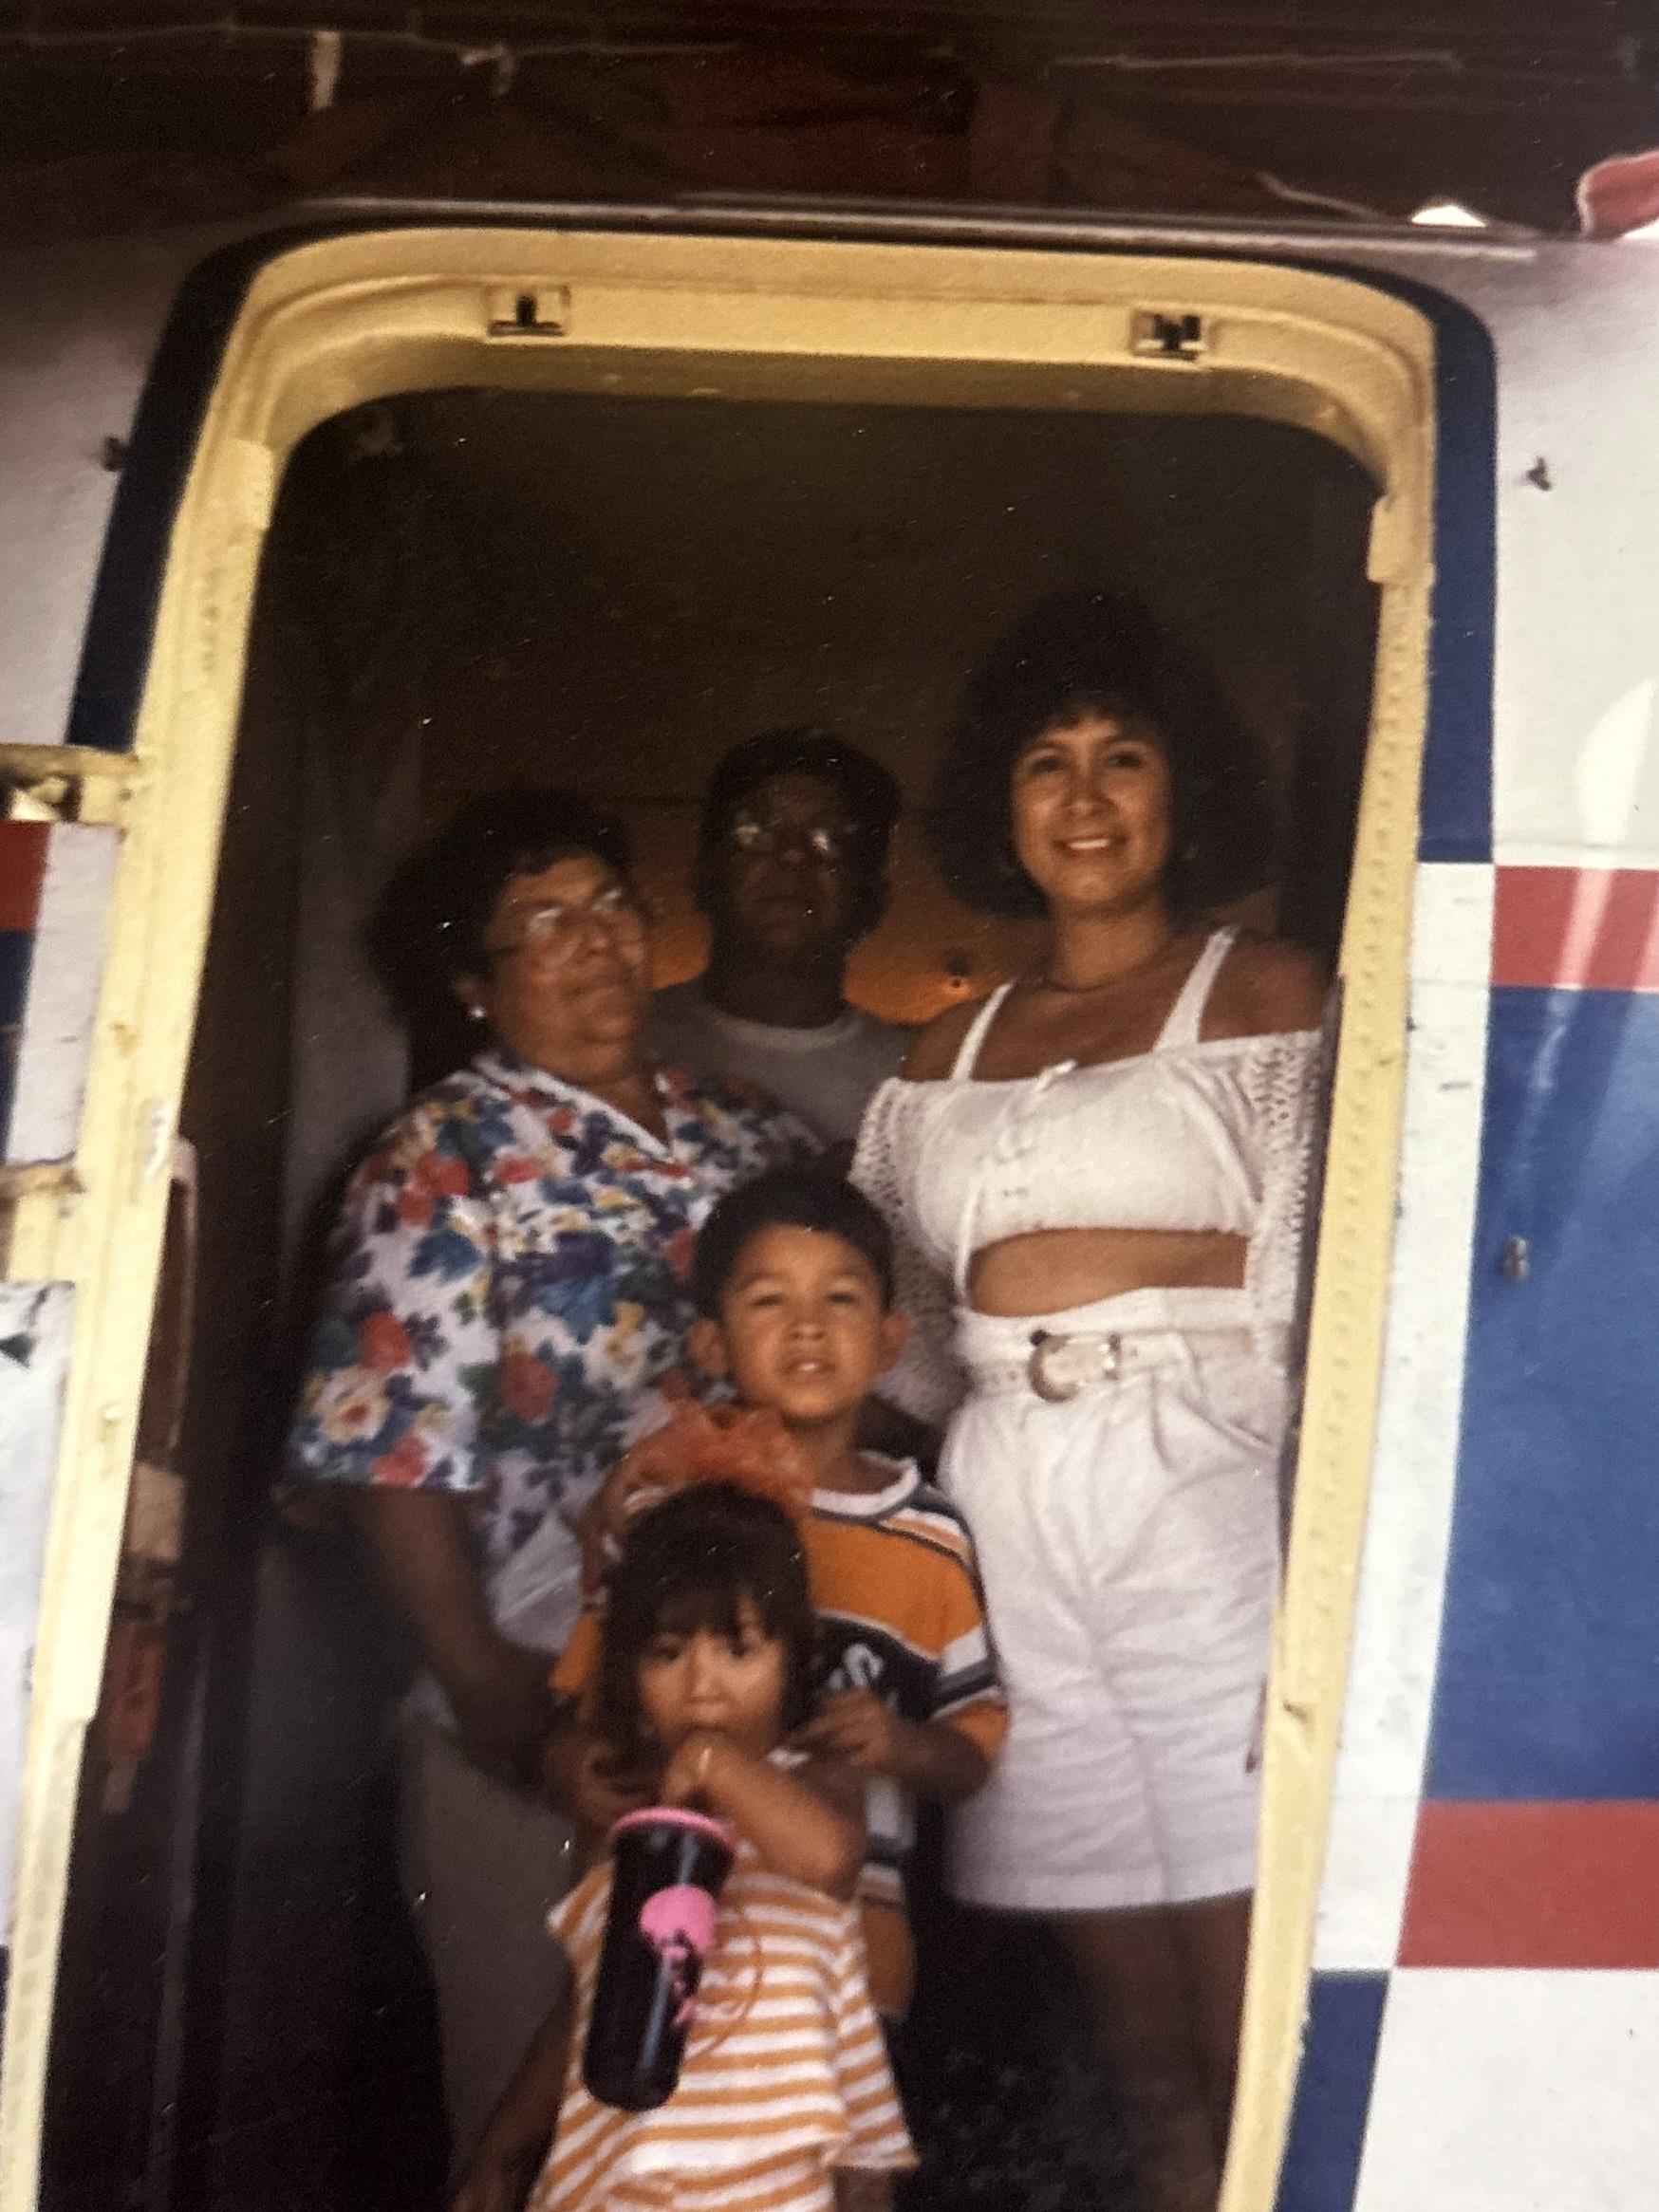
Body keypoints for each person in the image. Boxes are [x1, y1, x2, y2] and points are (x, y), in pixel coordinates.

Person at [851, 592, 1329, 2212]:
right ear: (1002, 803)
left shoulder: (1266, 994)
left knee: (1249, 1974)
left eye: (1123, 756)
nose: (1083, 797)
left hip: (1205, 1478)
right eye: (1045, 762)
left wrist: (1109, 1270)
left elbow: (1328, 1258)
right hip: (1010, 1498)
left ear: (1183, 790)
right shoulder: (941, 1053)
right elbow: (911, 1332)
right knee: (1133, 2031)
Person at [288, 788, 814, 2163]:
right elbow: (389, 1450)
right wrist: (487, 1693)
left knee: (749, 2098)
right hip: (538, 1679)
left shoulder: (753, 1131)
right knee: (539, 2106)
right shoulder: (439, 1158)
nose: (595, 940)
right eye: (542, 921)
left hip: (758, 1674)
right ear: (473, 982)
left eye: (611, 904)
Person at [550, 1166, 1007, 2021]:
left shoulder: (929, 1535)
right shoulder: (658, 1506)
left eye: (841, 1298)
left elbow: (972, 1749)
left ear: (891, 1339)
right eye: (769, 1300)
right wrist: (572, 1767)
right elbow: (585, 1709)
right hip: (648, 1939)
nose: (807, 1325)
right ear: (712, 1346)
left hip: (843, 1959)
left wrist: (898, 1742)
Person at [453, 1483, 916, 2212]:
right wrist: (501, 2147)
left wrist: (710, 1761)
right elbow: (588, 2005)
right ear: (630, 1672)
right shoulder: (618, 1815)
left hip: (771, 2176)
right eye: (667, 1654)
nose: (703, 1686)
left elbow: (830, 1859)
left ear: (793, 1658)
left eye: (738, 1650)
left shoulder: (817, 1780)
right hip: (632, 2174)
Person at [651, 729, 912, 1148]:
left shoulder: (909, 1079)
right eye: (757, 834)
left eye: (830, 840)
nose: (792, 857)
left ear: (872, 895)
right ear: (706, 872)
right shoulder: (630, 1044)